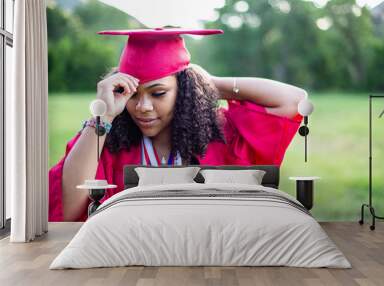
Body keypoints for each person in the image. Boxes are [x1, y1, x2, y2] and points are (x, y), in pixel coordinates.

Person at [49, 28, 306, 222]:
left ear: (183, 91)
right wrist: (103, 116)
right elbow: (67, 212)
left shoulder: (221, 135)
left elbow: (294, 102)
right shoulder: (105, 140)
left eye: (158, 93)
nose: (143, 107)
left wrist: (209, 84)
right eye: (132, 94)